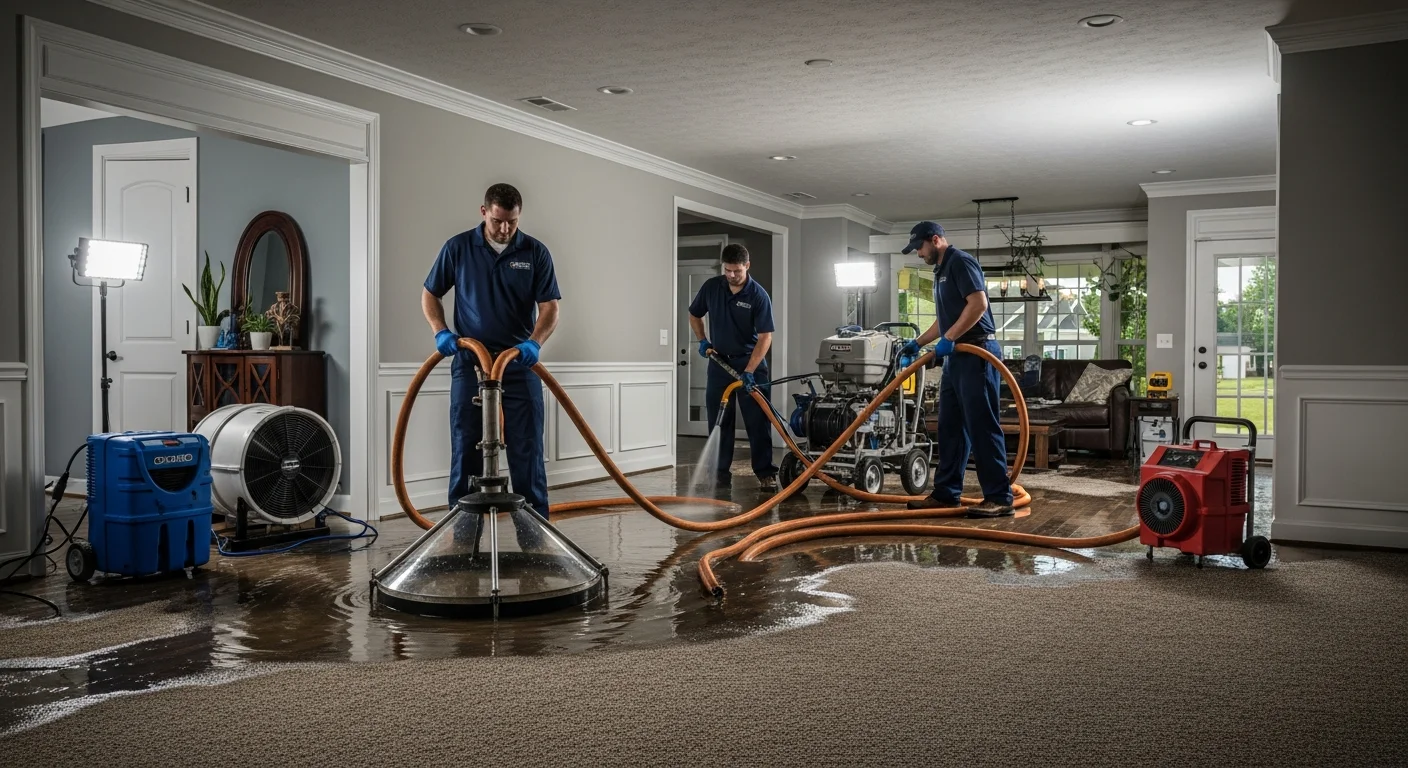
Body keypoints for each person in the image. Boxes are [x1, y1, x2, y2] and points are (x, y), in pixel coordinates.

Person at [422, 183, 560, 518]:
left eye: (512, 221)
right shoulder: (458, 247)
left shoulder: (534, 252)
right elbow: (430, 294)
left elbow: (550, 307)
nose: (505, 229)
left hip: (518, 364)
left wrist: (534, 342)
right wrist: (441, 332)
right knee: (466, 448)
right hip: (471, 364)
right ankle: (462, 537)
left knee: (527, 450)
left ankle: (535, 537)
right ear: (484, 212)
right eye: (498, 220)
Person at [899, 221, 1014, 518]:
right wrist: (918, 342)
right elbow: (946, 319)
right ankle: (947, 493)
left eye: (920, 248)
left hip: (977, 352)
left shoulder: (961, 262)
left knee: (982, 425)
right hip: (956, 356)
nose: (918, 254)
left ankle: (999, 498)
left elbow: (977, 304)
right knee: (950, 426)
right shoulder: (940, 272)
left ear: (935, 240)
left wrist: (949, 339)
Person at [688, 243, 779, 492]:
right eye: (727, 270)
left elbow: (765, 337)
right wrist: (702, 339)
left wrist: (749, 370)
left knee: (757, 421)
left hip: (751, 365)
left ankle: (765, 473)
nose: (731, 275)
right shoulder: (712, 287)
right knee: (719, 421)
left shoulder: (758, 295)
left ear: (747, 266)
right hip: (720, 363)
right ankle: (719, 474)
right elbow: (694, 314)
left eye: (736, 271)